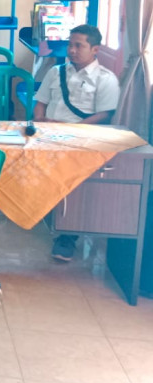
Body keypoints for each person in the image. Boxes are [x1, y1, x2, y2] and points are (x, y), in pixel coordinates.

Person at [34, 24, 120, 262]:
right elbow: (41, 102)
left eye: (78, 46)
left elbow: (104, 115)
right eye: (70, 45)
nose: (71, 50)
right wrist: (39, 121)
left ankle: (67, 236)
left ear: (95, 49)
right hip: (48, 135)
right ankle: (37, 211)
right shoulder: (55, 72)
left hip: (80, 139)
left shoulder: (105, 79)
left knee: (72, 180)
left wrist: (71, 130)